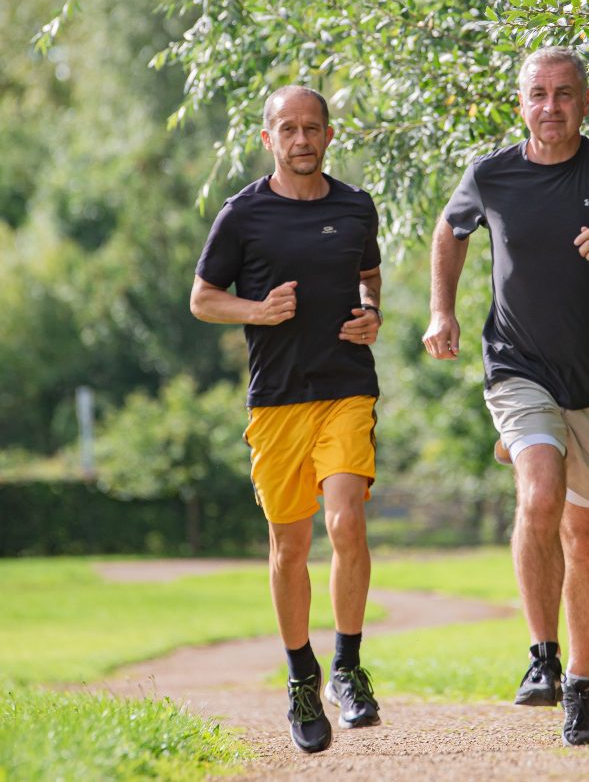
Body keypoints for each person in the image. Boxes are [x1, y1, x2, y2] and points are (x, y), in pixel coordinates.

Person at [422, 47, 589, 746]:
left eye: (564, 93)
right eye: (538, 93)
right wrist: (442, 311)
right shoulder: (492, 174)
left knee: (586, 530)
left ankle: (580, 681)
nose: (551, 106)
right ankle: (541, 656)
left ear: (585, 99)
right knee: (540, 492)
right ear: (520, 102)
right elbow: (449, 232)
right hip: (518, 366)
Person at [190, 85, 384, 754]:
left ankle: (348, 667)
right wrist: (257, 311)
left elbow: (369, 276)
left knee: (347, 519)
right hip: (276, 401)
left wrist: (370, 311)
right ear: (267, 138)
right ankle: (302, 678)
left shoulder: (357, 206)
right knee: (290, 547)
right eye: (288, 129)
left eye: (313, 128)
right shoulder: (242, 215)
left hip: (346, 389)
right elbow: (203, 299)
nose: (302, 139)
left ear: (330, 134)